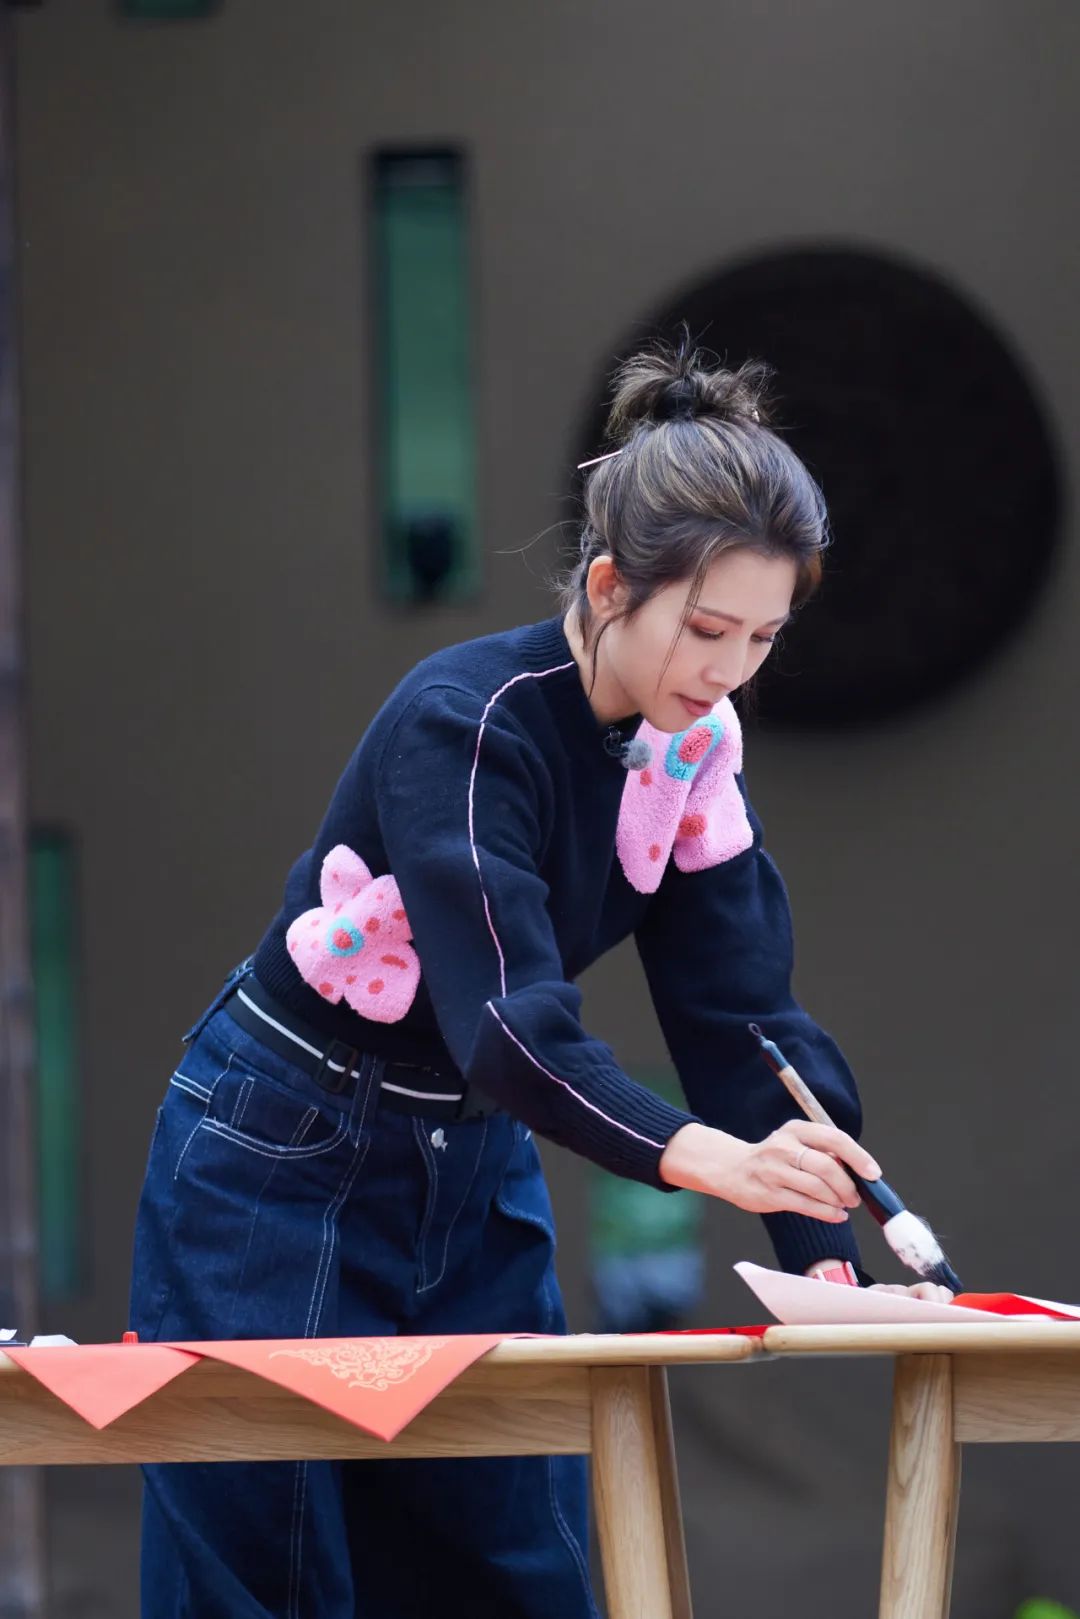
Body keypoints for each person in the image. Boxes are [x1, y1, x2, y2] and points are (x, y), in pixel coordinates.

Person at [129, 333, 950, 1619]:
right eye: (707, 628)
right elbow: (510, 1024)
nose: (730, 669)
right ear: (611, 584)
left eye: (764, 636)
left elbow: (740, 1010)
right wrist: (709, 1159)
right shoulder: (466, 719)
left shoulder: (696, 745)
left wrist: (819, 1242)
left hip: (470, 1162)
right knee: (272, 1568)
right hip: (278, 1148)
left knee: (517, 1567)